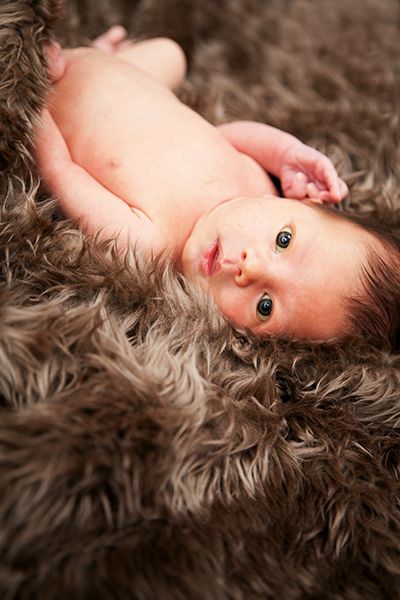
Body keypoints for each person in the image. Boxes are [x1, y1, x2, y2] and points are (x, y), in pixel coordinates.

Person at [35, 27, 400, 345]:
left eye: (265, 306)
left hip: (56, 93)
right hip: (130, 76)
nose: (249, 268)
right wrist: (285, 153)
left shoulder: (148, 243)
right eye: (283, 241)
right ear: (302, 204)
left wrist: (30, 94)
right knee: (171, 53)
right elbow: (226, 135)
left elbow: (59, 169)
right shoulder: (255, 185)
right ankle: (101, 54)